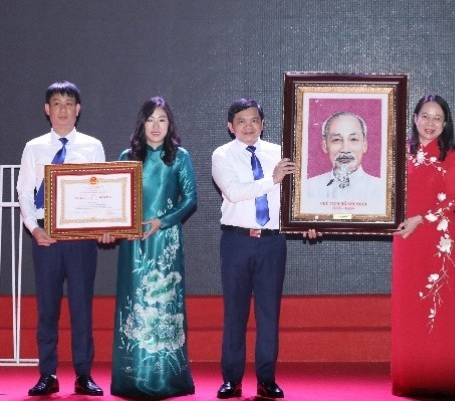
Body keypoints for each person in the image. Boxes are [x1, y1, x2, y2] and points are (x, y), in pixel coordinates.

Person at [17, 81, 106, 396]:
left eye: (69, 103)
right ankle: (48, 374)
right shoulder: (34, 147)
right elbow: (25, 191)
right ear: (47, 109)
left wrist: (106, 224)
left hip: (82, 240)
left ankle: (83, 375)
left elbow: (103, 192)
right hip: (46, 238)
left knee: (82, 308)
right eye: (57, 103)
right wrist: (33, 228)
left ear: (78, 109)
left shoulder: (93, 146)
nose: (63, 110)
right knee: (48, 310)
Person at [110, 97, 197, 397]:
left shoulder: (180, 157)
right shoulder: (127, 156)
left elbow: (190, 200)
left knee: (164, 304)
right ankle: (131, 377)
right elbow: (115, 203)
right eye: (150, 119)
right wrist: (118, 226)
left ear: (170, 123)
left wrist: (163, 221)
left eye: (162, 119)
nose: (156, 125)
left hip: (166, 241)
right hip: (133, 244)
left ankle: (167, 379)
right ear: (141, 124)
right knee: (133, 303)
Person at [211, 98, 297, 400]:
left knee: (268, 314)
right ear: (230, 126)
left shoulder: (280, 153)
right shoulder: (222, 155)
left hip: (272, 242)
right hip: (236, 241)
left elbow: (296, 197)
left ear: (263, 123)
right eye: (241, 121)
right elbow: (233, 193)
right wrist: (270, 179)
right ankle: (231, 380)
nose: (249, 127)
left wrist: (309, 219)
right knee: (234, 313)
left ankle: (266, 379)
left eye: (254, 120)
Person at [391, 94, 455, 396]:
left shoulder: (452, 156)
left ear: (445, 123)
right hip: (406, 237)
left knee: (440, 306)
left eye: (437, 118)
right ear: (414, 118)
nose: (430, 123)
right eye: (425, 116)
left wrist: (421, 218)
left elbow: (454, 199)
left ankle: (442, 377)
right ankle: (412, 377)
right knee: (409, 304)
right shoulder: (401, 155)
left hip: (440, 238)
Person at [301, 111, 385, 215]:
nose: (345, 149)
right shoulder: (308, 188)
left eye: (353, 139)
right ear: (324, 146)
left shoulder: (382, 189)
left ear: (364, 145)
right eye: (336, 140)